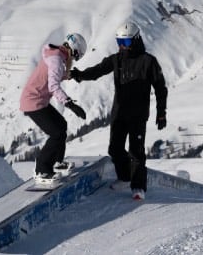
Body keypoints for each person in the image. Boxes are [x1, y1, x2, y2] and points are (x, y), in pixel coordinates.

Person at [71, 22, 167, 200]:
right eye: (119, 42)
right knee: (114, 149)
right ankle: (124, 178)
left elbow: (161, 89)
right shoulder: (116, 59)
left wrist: (161, 113)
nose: (123, 46)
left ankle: (138, 187)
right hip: (119, 113)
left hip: (138, 115)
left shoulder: (148, 61)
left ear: (136, 40)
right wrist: (78, 75)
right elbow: (97, 71)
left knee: (136, 151)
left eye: (127, 43)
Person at [19, 32, 88, 189]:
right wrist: (70, 104)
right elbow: (53, 86)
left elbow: (54, 75)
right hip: (33, 102)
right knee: (56, 133)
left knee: (61, 125)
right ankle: (42, 170)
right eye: (76, 56)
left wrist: (70, 75)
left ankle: (57, 162)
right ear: (73, 50)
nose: (74, 60)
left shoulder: (56, 56)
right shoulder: (57, 59)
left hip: (38, 100)